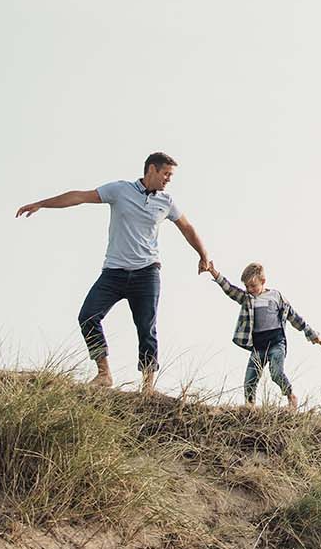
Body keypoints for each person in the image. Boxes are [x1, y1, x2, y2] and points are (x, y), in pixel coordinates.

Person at [14, 151, 210, 393]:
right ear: (151, 169)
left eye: (171, 175)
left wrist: (203, 255)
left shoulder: (166, 201)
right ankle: (104, 373)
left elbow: (187, 227)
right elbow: (80, 196)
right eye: (166, 174)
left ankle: (147, 386)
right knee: (87, 316)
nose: (168, 179)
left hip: (147, 273)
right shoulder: (119, 190)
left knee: (146, 327)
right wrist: (42, 204)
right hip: (114, 272)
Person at [206, 260, 318, 409]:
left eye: (253, 286)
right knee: (249, 380)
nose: (250, 289)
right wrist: (213, 272)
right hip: (258, 347)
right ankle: (250, 407)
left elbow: (293, 316)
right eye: (247, 286)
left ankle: (290, 395)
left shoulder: (275, 296)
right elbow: (229, 289)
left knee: (276, 373)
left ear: (263, 281)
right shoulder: (247, 298)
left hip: (276, 343)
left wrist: (310, 333)